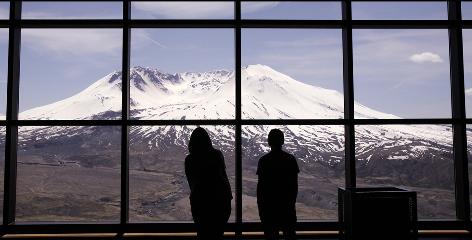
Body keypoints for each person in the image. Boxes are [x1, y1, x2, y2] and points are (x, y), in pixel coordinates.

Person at [185, 127, 232, 240]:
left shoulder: (190, 159)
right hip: (221, 201)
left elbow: (191, 182)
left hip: (200, 202)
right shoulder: (217, 154)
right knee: (218, 234)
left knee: (203, 234)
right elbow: (223, 176)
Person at [257, 129, 300, 240]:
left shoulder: (264, 161)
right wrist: (291, 204)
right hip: (287, 208)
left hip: (269, 209)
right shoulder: (290, 159)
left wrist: (261, 209)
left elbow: (261, 188)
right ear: (282, 141)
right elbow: (294, 187)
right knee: (289, 235)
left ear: (269, 141)